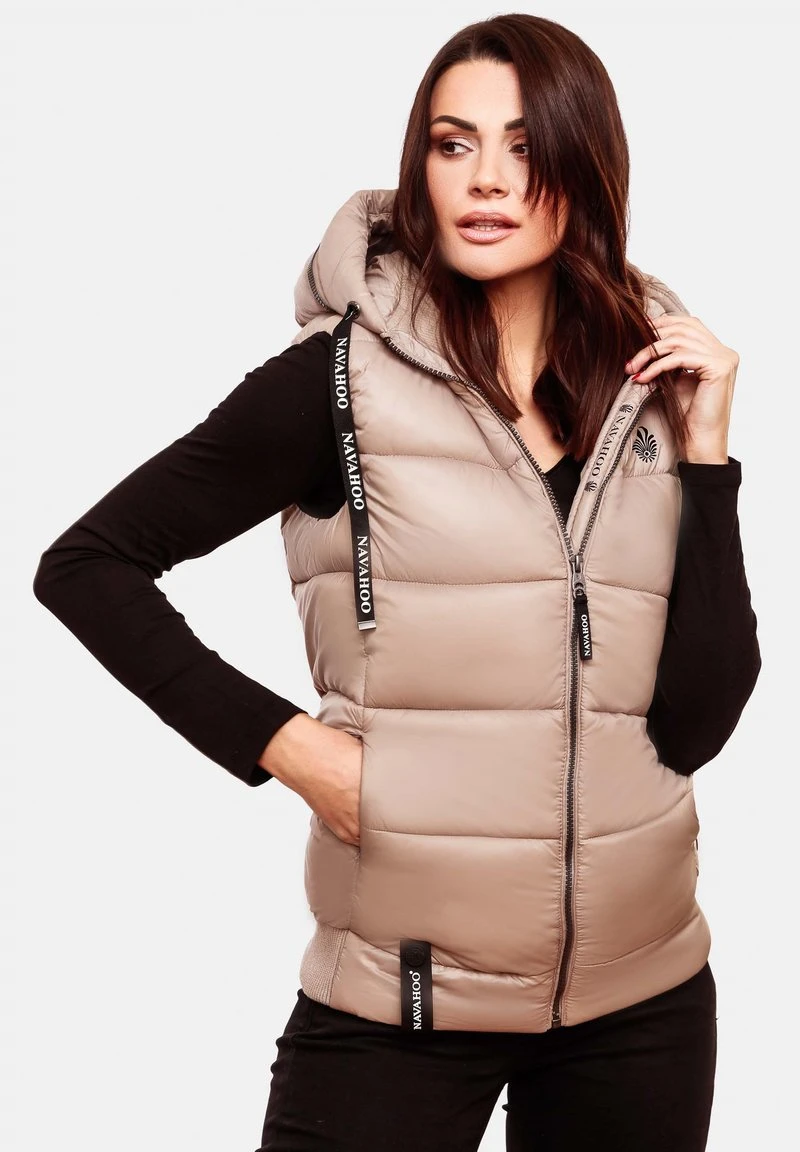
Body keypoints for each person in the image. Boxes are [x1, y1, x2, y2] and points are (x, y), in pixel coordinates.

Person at [32, 13, 761, 1152]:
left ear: (587, 167)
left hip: (644, 998)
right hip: (401, 1000)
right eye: (451, 143)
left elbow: (698, 721)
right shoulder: (337, 382)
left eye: (525, 147)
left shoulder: (643, 388)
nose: (486, 180)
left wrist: (708, 457)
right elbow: (87, 566)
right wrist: (294, 750)